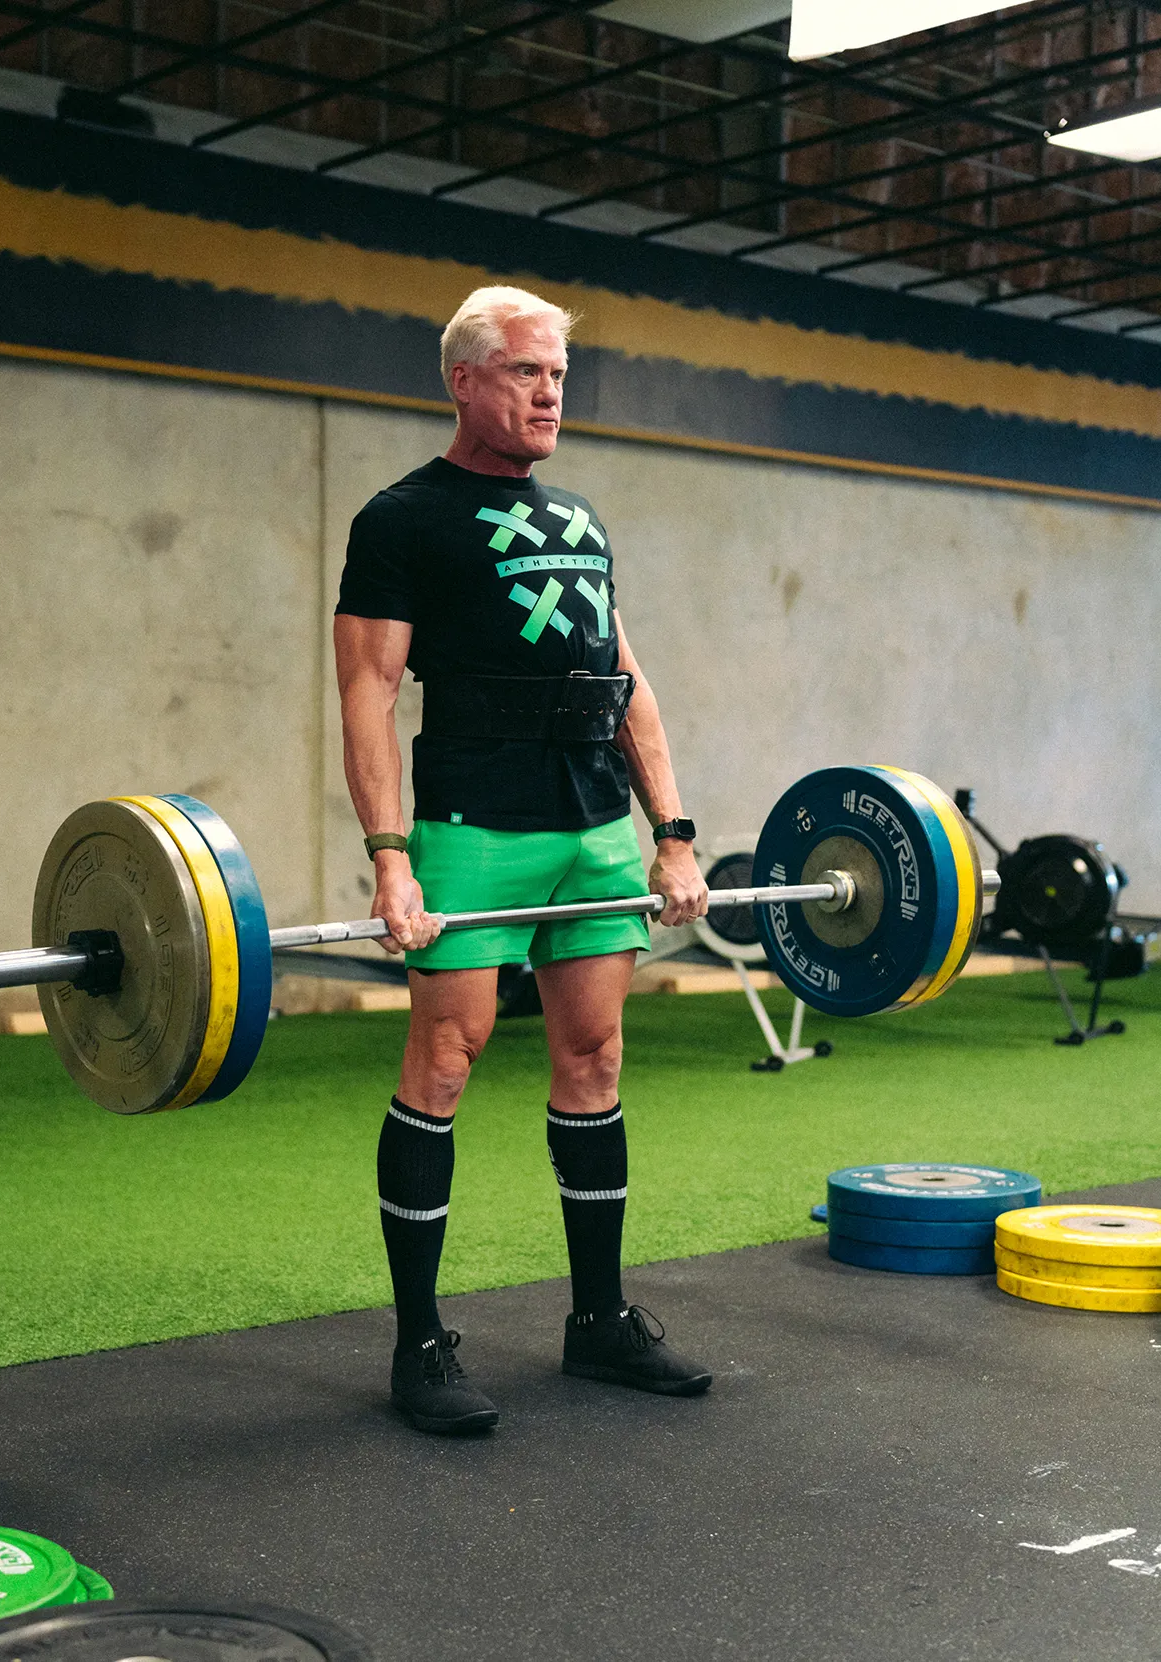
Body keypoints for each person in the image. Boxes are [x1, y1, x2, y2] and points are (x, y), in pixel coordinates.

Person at [334, 284, 711, 1435]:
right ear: (463, 380)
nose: (551, 391)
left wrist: (674, 830)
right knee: (445, 1062)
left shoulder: (584, 518)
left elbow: (626, 681)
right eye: (525, 371)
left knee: (592, 1057)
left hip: (593, 824)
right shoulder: (400, 518)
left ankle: (597, 1323)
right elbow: (368, 692)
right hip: (473, 827)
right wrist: (391, 860)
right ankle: (420, 1343)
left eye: (558, 373)